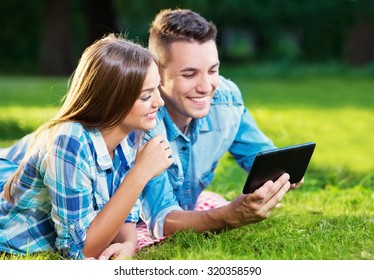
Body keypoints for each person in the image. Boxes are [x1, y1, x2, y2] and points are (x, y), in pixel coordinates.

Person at [0, 33, 172, 260]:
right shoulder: (69, 141)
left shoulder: (132, 134)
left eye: (157, 89)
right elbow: (79, 250)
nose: (160, 102)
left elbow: (126, 217)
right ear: (112, 100)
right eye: (146, 96)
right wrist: (141, 172)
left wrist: (129, 244)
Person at [139, 8, 303, 239]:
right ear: (157, 73)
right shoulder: (144, 118)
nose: (206, 87)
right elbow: (162, 220)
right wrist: (229, 215)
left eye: (213, 70)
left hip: (188, 209)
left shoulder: (225, 100)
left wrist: (283, 172)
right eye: (189, 74)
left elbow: (262, 156)